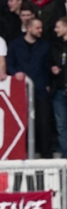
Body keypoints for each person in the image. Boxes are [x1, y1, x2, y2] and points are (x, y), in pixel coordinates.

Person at [8, 18, 52, 157]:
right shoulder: (15, 44)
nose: (41, 31)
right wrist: (15, 73)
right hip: (20, 91)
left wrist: (48, 84)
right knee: (21, 123)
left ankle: (47, 158)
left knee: (44, 124)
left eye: (41, 28)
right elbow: (9, 64)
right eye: (37, 28)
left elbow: (48, 66)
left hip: (40, 89)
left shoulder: (45, 46)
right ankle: (22, 155)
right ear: (28, 28)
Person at [52, 17, 67, 156]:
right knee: (61, 126)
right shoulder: (56, 46)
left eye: (58, 27)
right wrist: (53, 68)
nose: (55, 30)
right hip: (59, 90)